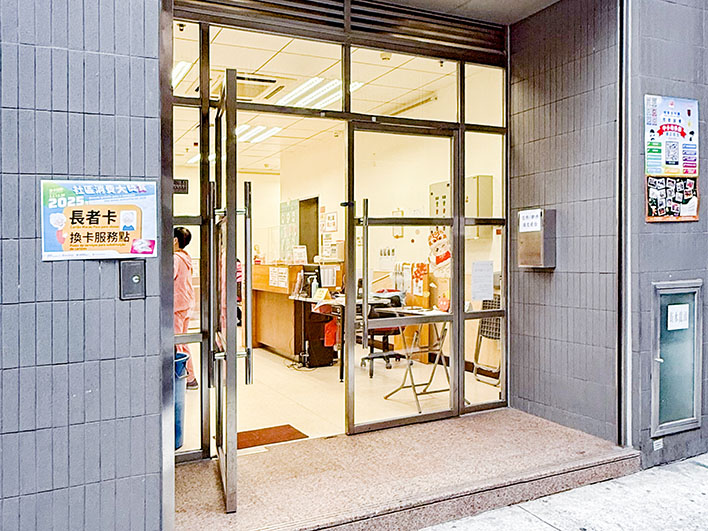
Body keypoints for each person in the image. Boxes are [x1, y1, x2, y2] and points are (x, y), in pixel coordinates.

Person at [174, 227, 198, 390]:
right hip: (186, 304)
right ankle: (190, 378)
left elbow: (167, 276)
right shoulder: (186, 258)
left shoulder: (175, 258)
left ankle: (188, 378)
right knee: (182, 341)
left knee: (177, 343)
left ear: (175, 240)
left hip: (177, 306)